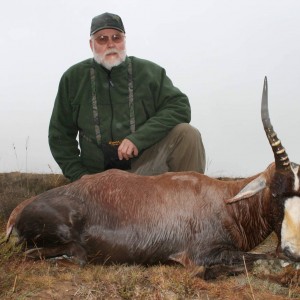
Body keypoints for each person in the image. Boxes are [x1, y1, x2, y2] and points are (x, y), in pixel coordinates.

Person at [49, 12, 206, 182]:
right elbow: (60, 135)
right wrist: (80, 176)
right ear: (91, 44)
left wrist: (138, 139)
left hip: (143, 170)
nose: (111, 44)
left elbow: (179, 106)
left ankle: (189, 204)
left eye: (117, 37)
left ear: (124, 40)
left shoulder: (149, 72)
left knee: (188, 134)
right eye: (102, 39)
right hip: (95, 178)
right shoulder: (73, 78)